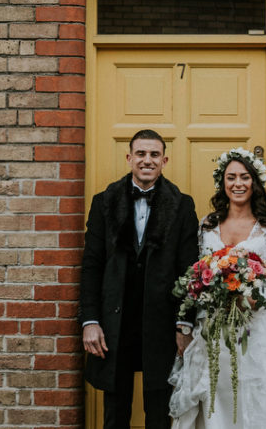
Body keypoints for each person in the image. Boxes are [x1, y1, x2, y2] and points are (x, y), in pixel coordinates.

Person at [80, 129, 200, 429]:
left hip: (162, 320)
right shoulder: (103, 202)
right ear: (129, 157)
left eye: (154, 155)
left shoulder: (182, 206)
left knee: (159, 410)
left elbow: (190, 270)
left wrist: (184, 324)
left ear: (164, 160)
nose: (148, 160)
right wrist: (90, 320)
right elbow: (92, 265)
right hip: (113, 320)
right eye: (141, 154)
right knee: (115, 410)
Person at [168, 147, 266, 429]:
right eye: (231, 177)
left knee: (252, 393)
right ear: (222, 183)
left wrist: (250, 299)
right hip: (213, 328)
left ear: (254, 183)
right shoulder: (207, 226)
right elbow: (195, 276)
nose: (238, 183)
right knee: (216, 394)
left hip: (254, 329)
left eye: (245, 177)